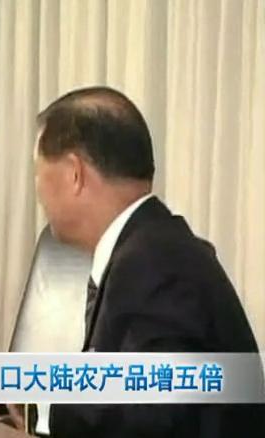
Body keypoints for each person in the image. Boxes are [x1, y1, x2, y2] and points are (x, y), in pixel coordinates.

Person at [30, 86, 265, 437]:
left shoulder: (155, 265)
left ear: (74, 173)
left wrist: (46, 400)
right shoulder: (151, 247)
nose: (37, 188)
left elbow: (150, 418)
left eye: (38, 170)